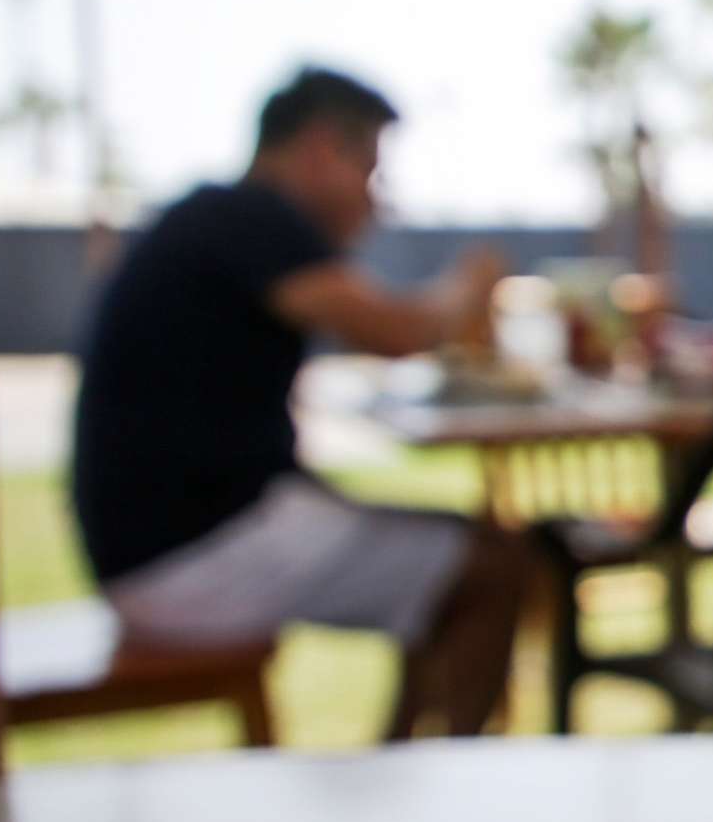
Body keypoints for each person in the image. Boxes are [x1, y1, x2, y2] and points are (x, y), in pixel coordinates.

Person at [71, 66, 533, 739]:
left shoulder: (218, 219)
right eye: (369, 171)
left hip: (162, 546)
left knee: (465, 549)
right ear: (320, 149)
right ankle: (434, 782)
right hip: (192, 556)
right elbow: (395, 331)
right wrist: (473, 281)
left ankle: (410, 766)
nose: (373, 198)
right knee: (496, 563)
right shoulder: (254, 215)